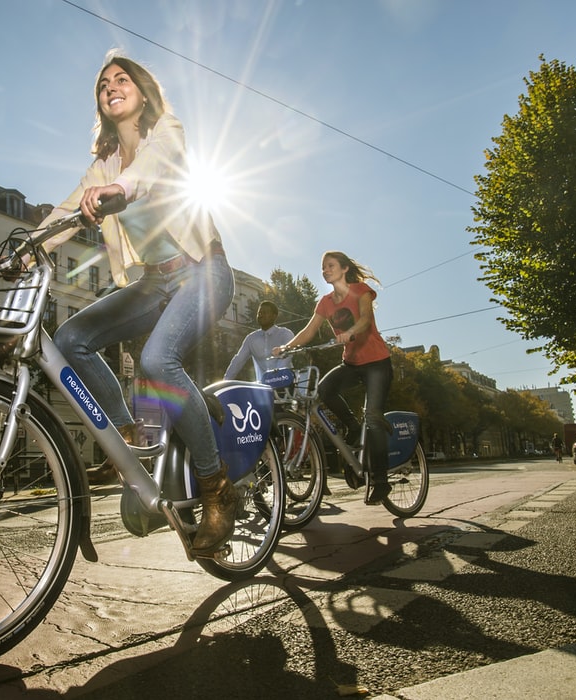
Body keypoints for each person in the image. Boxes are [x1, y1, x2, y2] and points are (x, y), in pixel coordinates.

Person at [37, 52, 236, 557]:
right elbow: (64, 212)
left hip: (202, 271)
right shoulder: (102, 165)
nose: (111, 87)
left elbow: (152, 169)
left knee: (156, 362)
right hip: (153, 282)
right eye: (103, 84)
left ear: (141, 93)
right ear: (101, 106)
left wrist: (119, 189)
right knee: (70, 341)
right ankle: (125, 437)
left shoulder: (165, 131)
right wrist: (27, 247)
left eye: (121, 79)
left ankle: (218, 489)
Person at [272, 251, 394, 504]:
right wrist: (287, 347)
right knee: (322, 392)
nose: (325, 270)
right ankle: (352, 426)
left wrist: (349, 332)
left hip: (377, 364)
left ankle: (381, 481)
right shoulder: (325, 302)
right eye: (323, 267)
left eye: (330, 266)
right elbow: (309, 331)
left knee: (372, 415)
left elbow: (364, 320)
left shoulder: (360, 290)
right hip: (351, 363)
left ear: (344, 269)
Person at [223, 301, 295, 381]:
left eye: (264, 312)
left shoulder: (285, 334)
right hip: (263, 388)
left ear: (274, 316)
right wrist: (225, 381)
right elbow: (238, 361)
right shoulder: (251, 339)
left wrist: (275, 378)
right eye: (259, 313)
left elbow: (285, 358)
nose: (260, 315)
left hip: (286, 384)